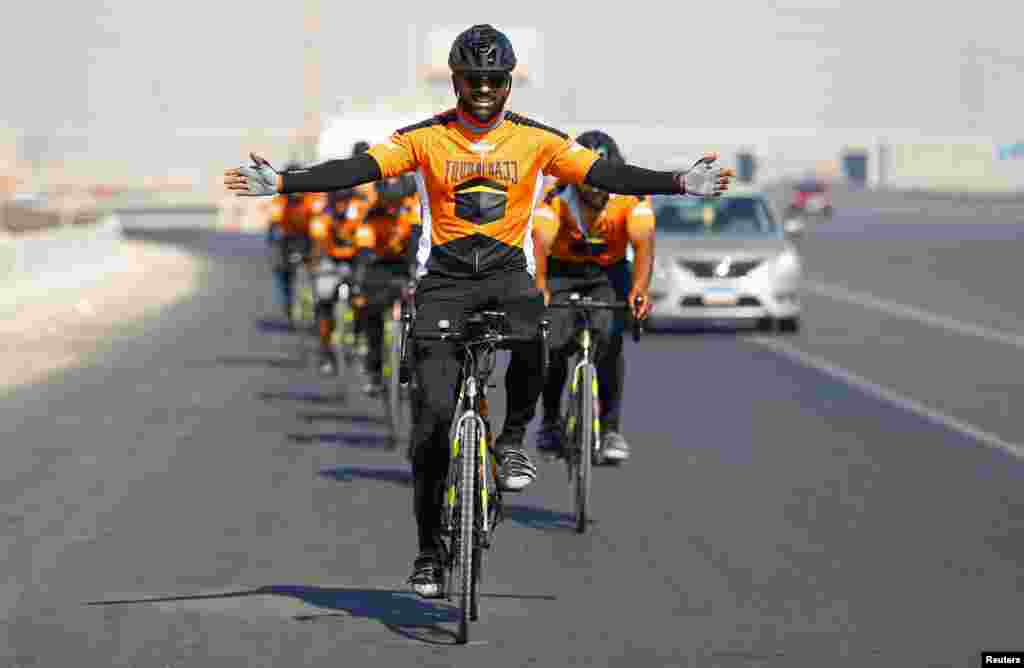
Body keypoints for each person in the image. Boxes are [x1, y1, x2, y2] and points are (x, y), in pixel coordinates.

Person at [225, 23, 734, 598]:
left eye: (496, 79)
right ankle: (428, 555)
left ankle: (513, 440)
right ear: (457, 80)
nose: (485, 89)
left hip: (507, 277)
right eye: (475, 79)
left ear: (509, 83)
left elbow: (601, 174)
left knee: (537, 332)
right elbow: (359, 170)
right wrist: (287, 183)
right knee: (430, 430)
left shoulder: (536, 140)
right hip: (442, 283)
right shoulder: (425, 138)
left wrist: (676, 182)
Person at [532, 130, 654, 463]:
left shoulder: (632, 195)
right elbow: (540, 242)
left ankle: (611, 429)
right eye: (589, 181)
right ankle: (550, 422)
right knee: (552, 344)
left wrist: (640, 289)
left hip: (609, 273)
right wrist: (540, 286)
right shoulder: (555, 193)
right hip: (561, 271)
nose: (598, 189)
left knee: (611, 341)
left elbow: (643, 243)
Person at [309, 142, 377, 376]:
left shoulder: (362, 207)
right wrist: (315, 264)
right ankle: (325, 348)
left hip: (356, 258)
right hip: (331, 258)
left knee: (362, 298)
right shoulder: (324, 212)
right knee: (323, 298)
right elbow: (317, 241)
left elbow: (367, 241)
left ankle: (360, 338)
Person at [353, 175, 420, 396]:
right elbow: (363, 251)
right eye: (387, 202)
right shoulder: (370, 215)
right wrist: (360, 283)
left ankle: (417, 364)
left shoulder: (413, 211)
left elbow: (418, 243)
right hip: (378, 266)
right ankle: (374, 369)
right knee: (371, 310)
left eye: (396, 202)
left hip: (407, 264)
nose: (392, 208)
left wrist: (416, 275)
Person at [267, 162, 321, 327]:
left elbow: (319, 218)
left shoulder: (312, 198)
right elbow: (274, 222)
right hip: (287, 240)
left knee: (318, 270)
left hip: (307, 238)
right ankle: (288, 305)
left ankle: (317, 307)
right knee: (281, 270)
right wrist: (275, 236)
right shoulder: (280, 200)